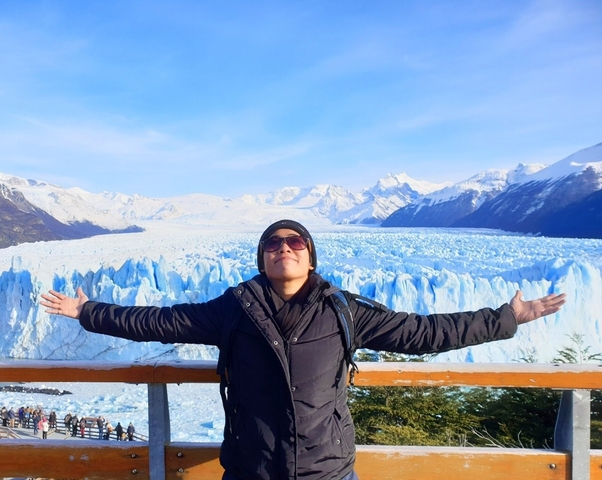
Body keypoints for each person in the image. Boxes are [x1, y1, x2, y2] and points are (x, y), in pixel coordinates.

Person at [41, 219, 566, 480]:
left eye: (295, 244)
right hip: (253, 467)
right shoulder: (234, 309)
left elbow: (422, 333)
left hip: (327, 469)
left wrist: (506, 318)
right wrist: (89, 312)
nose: (284, 249)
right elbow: (162, 321)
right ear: (262, 259)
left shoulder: (343, 310)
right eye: (274, 245)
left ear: (310, 258)